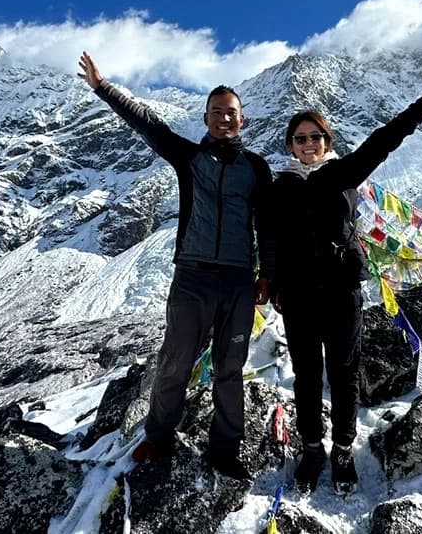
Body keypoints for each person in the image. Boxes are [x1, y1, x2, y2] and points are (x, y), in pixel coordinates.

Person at [77, 52, 274, 480]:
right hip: (193, 277)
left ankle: (224, 449)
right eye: (217, 112)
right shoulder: (188, 158)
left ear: (243, 120)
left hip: (239, 281)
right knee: (175, 361)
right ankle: (159, 439)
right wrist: (102, 87)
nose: (225, 118)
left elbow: (269, 226)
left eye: (232, 112)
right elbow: (148, 124)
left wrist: (267, 275)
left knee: (229, 367)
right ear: (206, 118)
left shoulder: (257, 168)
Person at [271, 76, 422, 493]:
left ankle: (342, 448)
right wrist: (271, 284)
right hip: (299, 295)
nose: (309, 143)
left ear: (327, 140)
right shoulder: (279, 186)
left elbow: (386, 138)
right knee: (305, 374)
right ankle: (310, 447)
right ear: (290, 144)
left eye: (316, 136)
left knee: (344, 372)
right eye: (300, 138)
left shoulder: (343, 172)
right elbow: (269, 238)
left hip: (342, 291)